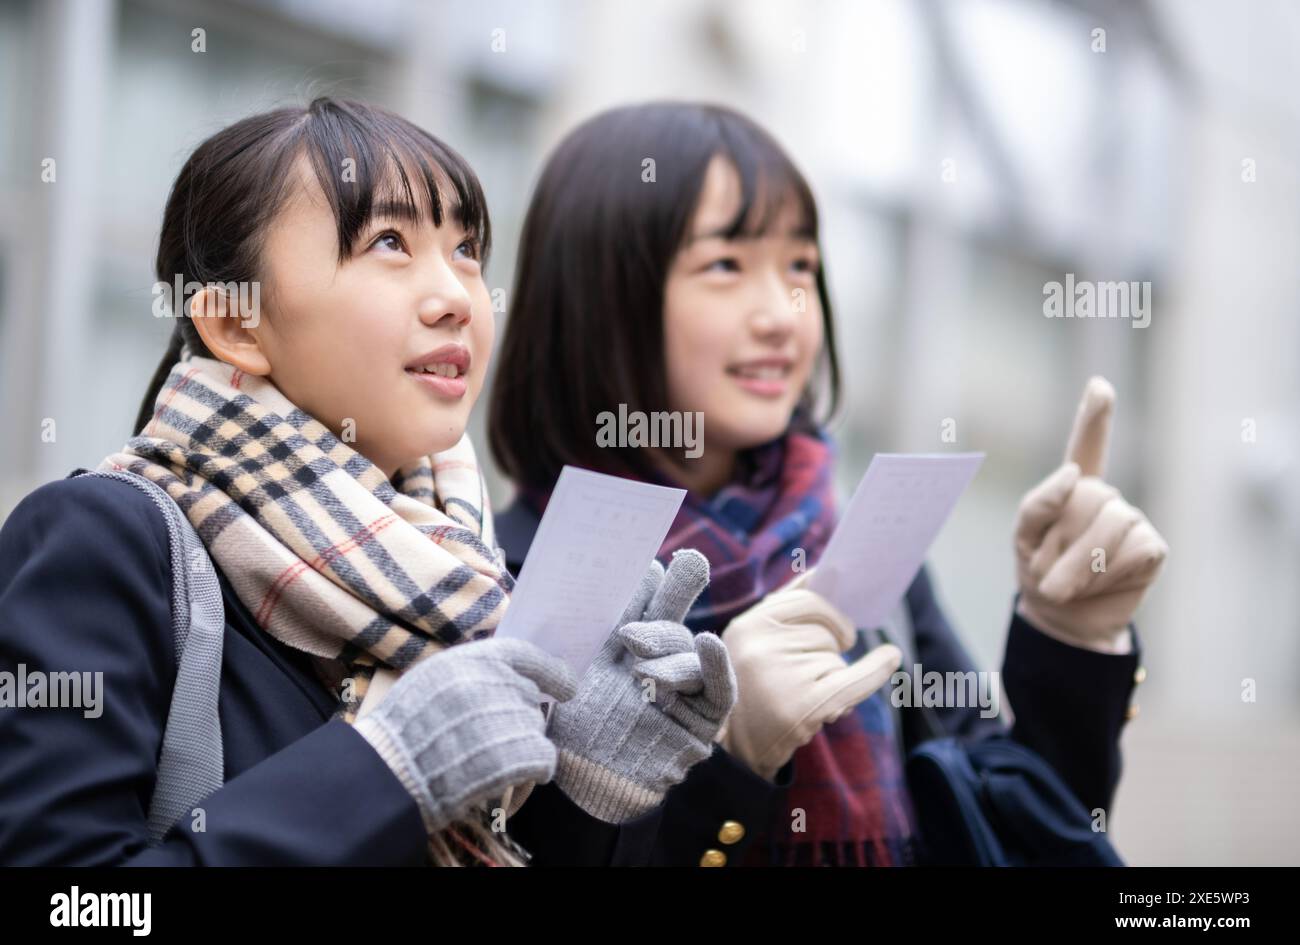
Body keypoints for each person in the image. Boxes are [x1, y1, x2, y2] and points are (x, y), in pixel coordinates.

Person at [0, 97, 735, 866]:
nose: (456, 296)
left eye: (465, 248)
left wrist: (590, 796)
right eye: (389, 241)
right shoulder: (106, 543)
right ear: (237, 325)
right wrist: (379, 772)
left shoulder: (476, 574)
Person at [489, 101, 1168, 866]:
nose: (785, 314)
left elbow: (1024, 840)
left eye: (801, 267)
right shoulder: (509, 585)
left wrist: (1069, 640)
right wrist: (732, 761)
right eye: (725, 265)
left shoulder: (855, 545)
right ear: (599, 295)